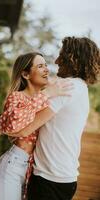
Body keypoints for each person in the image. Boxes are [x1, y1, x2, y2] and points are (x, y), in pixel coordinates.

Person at [23, 37, 100, 200]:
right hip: (62, 178)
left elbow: (27, 127)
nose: (57, 61)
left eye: (61, 56)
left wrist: (0, 125)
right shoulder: (79, 87)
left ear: (72, 60)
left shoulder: (67, 87)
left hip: (49, 180)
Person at [0, 52, 72, 200]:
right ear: (26, 74)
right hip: (12, 166)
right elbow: (14, 124)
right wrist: (46, 94)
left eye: (46, 65)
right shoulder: (17, 96)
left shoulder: (46, 101)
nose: (46, 69)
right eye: (40, 66)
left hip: (31, 170)